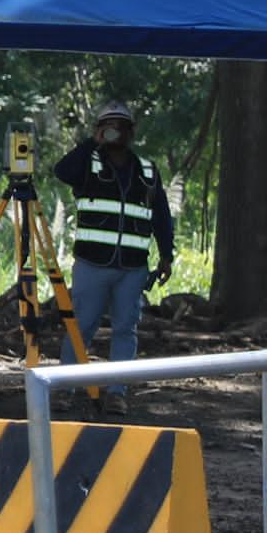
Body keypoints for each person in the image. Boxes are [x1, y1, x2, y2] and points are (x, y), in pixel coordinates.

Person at [55, 100, 176, 388]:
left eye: (120, 126)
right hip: (91, 264)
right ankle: (66, 387)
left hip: (132, 267)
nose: (114, 132)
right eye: (108, 126)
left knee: (125, 329)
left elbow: (161, 216)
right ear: (99, 130)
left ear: (130, 132)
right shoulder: (87, 164)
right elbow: (61, 171)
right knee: (80, 327)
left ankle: (117, 393)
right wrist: (90, 143)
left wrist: (166, 255)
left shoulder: (147, 171)